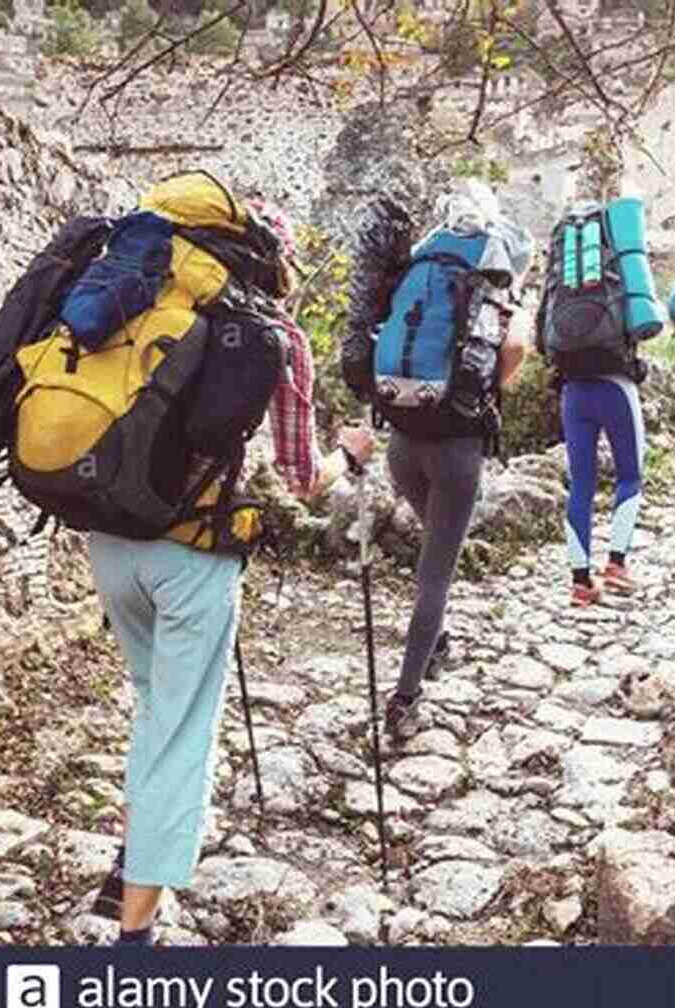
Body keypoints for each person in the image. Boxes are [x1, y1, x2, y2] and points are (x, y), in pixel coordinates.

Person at [89, 197, 376, 946]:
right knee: (184, 731)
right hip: (192, 556)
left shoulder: (130, 300)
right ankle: (135, 937)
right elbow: (302, 475)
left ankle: (131, 857)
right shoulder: (273, 334)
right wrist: (350, 457)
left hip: (109, 539)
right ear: (270, 263)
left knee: (155, 702)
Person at [368, 185, 534, 738]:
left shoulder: (426, 268)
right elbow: (514, 350)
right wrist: (487, 391)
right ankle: (405, 697)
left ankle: (436, 641)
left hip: (402, 441)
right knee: (435, 575)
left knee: (433, 549)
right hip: (456, 449)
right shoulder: (497, 290)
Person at [556, 363, 647, 607]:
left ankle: (581, 582)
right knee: (630, 476)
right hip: (616, 387)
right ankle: (616, 565)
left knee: (580, 484)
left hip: (573, 389)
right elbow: (647, 326)